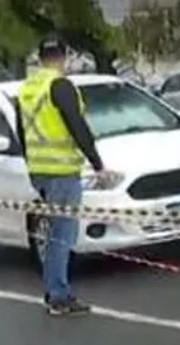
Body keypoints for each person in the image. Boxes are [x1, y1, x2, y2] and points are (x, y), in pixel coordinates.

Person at [15, 34, 110, 316]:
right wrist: (97, 164)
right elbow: (77, 126)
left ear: (41, 58)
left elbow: (22, 132)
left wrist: (31, 162)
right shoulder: (60, 86)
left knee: (56, 233)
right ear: (64, 56)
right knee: (61, 236)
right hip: (62, 172)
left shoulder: (28, 89)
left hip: (40, 170)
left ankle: (54, 290)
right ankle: (58, 295)